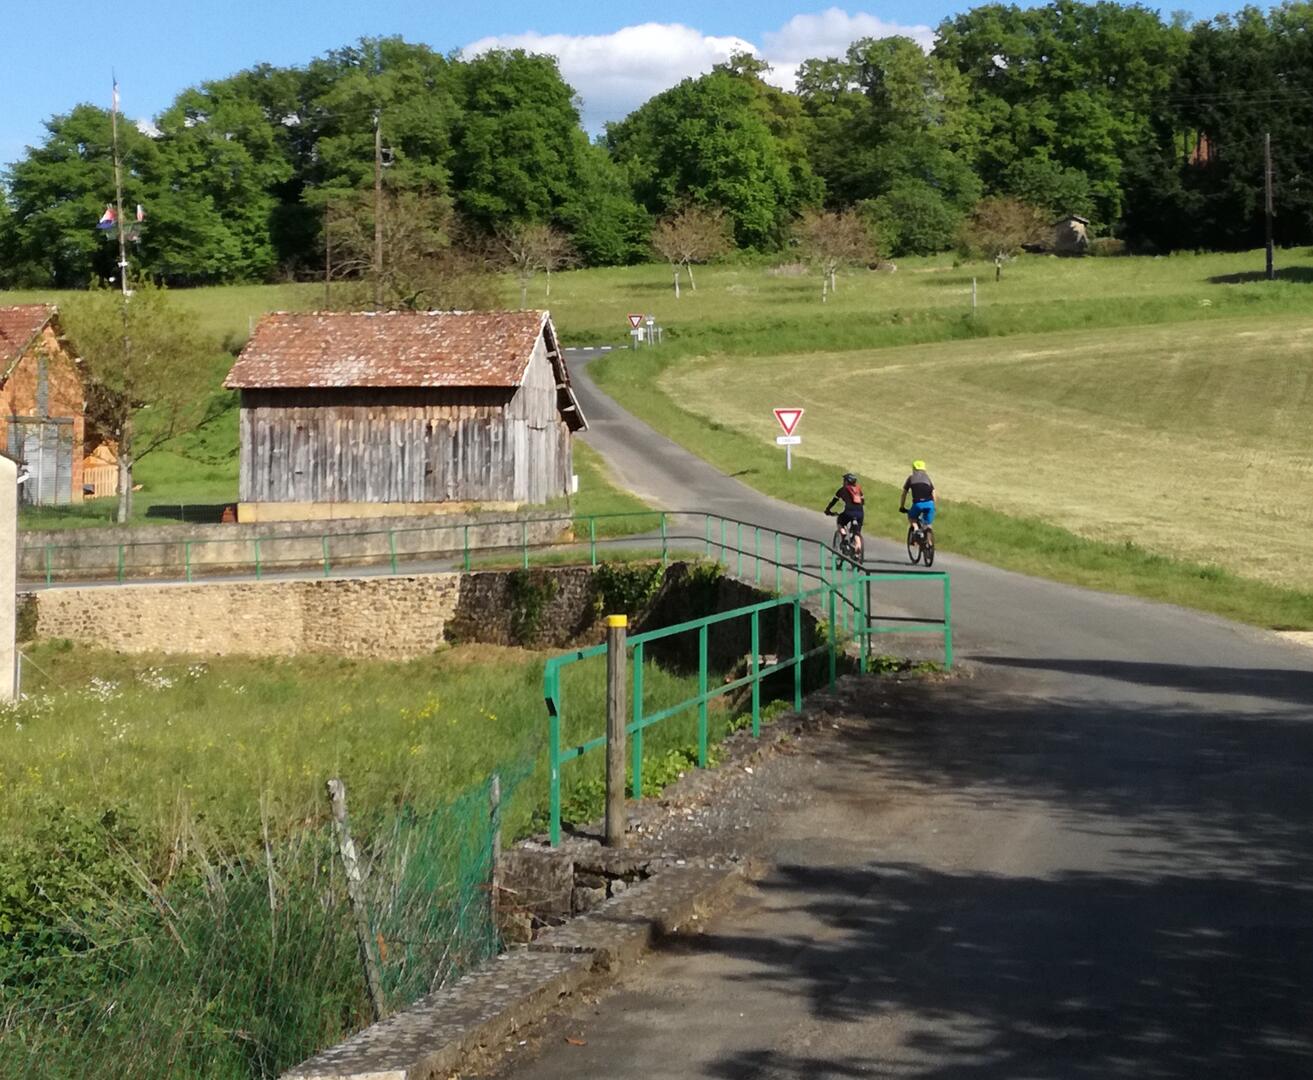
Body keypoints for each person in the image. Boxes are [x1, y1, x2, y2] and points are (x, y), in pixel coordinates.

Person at [824, 472, 865, 559]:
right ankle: (858, 551)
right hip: (860, 513)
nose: (843, 482)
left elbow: (834, 501)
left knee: (841, 520)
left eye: (844, 480)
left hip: (849, 512)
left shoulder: (843, 489)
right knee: (857, 533)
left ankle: (843, 537)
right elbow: (863, 502)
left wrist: (828, 510)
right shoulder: (858, 489)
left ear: (847, 482)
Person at [900, 460, 936, 533]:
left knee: (912, 517)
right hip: (930, 503)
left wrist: (902, 506)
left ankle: (916, 530)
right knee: (928, 524)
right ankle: (930, 541)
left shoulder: (911, 478)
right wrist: (934, 505)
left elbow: (904, 493)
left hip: (918, 504)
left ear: (913, 469)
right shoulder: (927, 478)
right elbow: (934, 492)